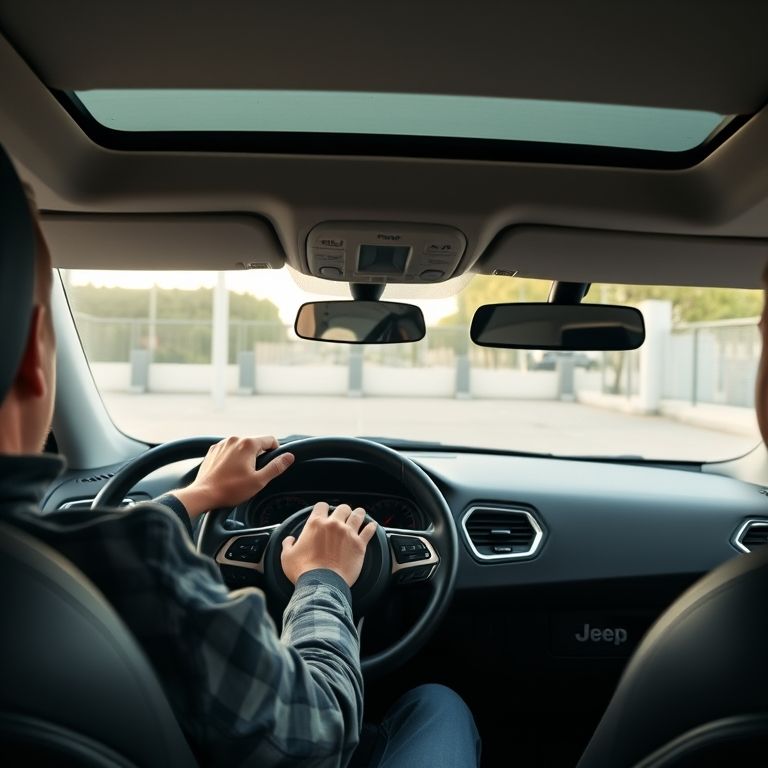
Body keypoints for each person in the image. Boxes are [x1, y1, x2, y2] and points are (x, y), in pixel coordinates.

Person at [0, 146, 481, 768]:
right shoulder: (136, 567)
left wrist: (196, 497)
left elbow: (85, 544)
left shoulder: (75, 559)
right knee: (438, 705)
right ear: (35, 365)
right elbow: (317, 740)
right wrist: (323, 579)